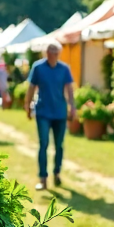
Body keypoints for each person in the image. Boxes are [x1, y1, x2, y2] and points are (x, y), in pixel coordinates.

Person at [25, 43, 75, 190]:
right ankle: (43, 178)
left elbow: (69, 89)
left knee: (59, 145)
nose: (52, 54)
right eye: (50, 51)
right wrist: (27, 105)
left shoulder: (64, 69)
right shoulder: (38, 67)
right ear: (46, 53)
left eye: (55, 51)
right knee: (44, 144)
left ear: (59, 53)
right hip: (43, 112)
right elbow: (31, 87)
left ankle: (57, 173)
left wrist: (72, 106)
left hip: (60, 112)